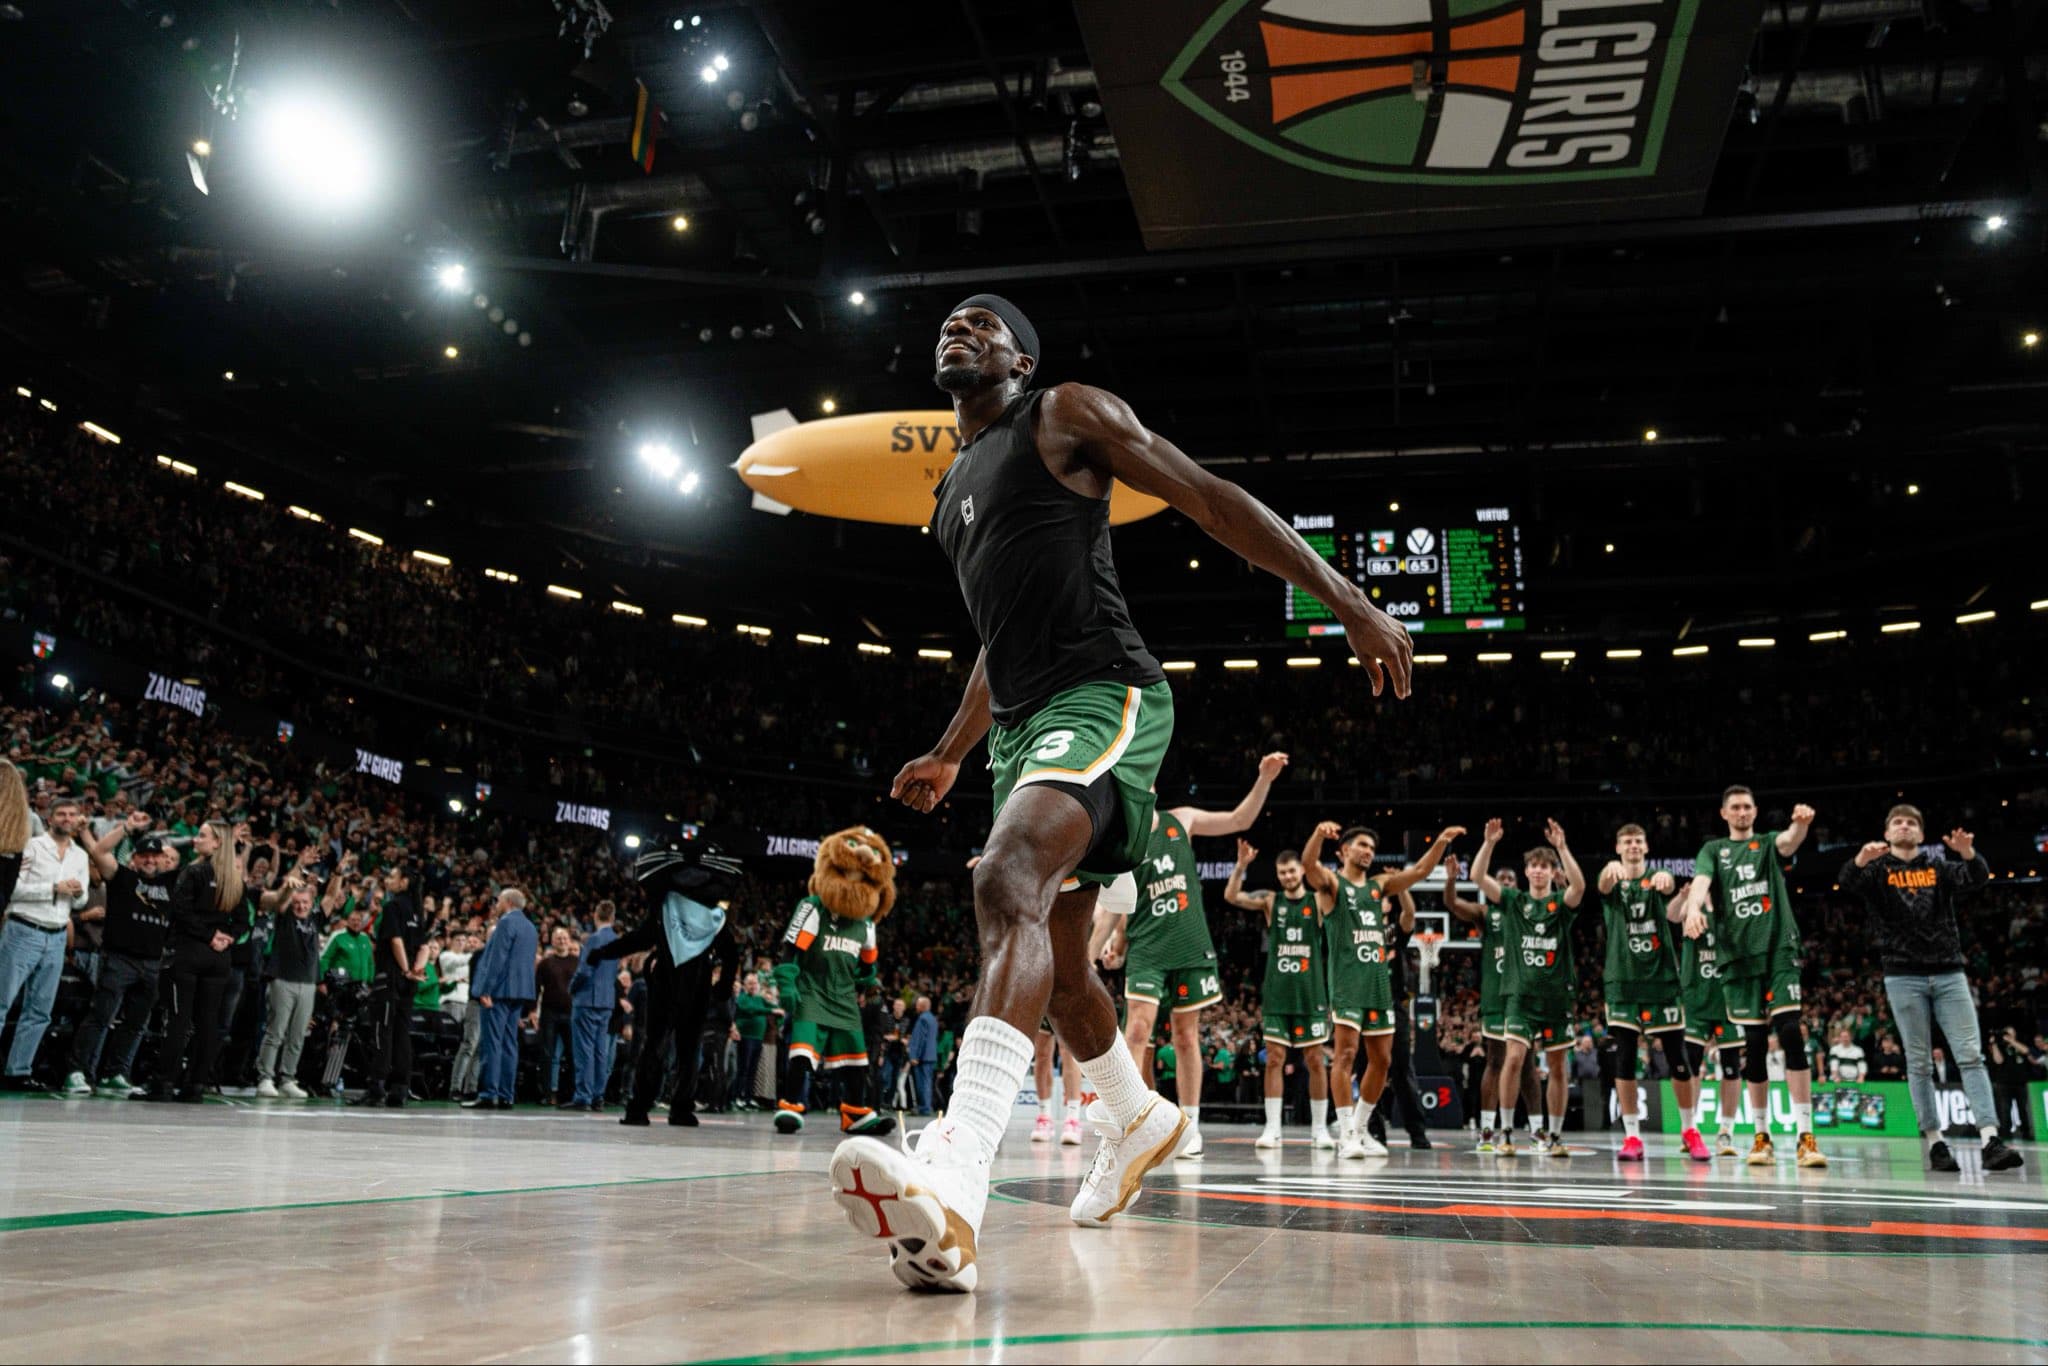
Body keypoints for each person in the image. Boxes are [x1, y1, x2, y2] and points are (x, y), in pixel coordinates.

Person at [830, 293, 1414, 1295]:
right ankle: (1136, 1116)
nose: (957, 329)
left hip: (1105, 694)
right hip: (1020, 724)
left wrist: (1348, 601)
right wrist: (950, 751)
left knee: (1003, 873)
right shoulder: (950, 488)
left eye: (982, 322)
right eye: (948, 321)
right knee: (1059, 969)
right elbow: (996, 641)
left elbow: (1205, 494)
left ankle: (959, 1175)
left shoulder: (1063, 413)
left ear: (1020, 358)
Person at [1095, 753, 1289, 1158]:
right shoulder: (1120, 842)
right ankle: (1131, 1119)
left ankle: (1190, 1126)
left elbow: (1239, 820)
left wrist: (1264, 778)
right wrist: (1100, 949)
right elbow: (1116, 904)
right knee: (1136, 1032)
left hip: (1188, 941)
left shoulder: (1180, 819)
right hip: (1147, 945)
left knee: (1185, 1037)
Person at [1836, 806, 2019, 1172]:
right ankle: (1936, 1142)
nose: (1905, 826)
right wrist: (1860, 859)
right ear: (1887, 833)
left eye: (1912, 823)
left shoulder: (1938, 868)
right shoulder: (1877, 871)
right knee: (1918, 1062)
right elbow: (1847, 882)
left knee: (1970, 1055)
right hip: (1903, 976)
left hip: (1950, 972)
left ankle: (1990, 1139)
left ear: (1921, 835)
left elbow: (1977, 877)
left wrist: (1967, 851)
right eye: (1897, 822)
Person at [1678, 788, 1826, 1168]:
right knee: (1756, 1046)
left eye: (1747, 806)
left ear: (1755, 811)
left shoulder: (1767, 843)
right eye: (1736, 807)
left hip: (1778, 949)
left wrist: (1800, 823)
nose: (1742, 812)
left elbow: (1791, 842)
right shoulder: (1713, 850)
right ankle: (1762, 1136)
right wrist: (1694, 909)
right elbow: (1700, 883)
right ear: (1724, 812)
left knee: (1791, 1033)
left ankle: (1805, 1135)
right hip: (1737, 959)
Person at [1303, 820, 1460, 1158]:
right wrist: (1317, 835)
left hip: (1379, 988)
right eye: (1362, 845)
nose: (1368, 852)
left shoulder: (1378, 886)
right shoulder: (1332, 887)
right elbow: (1308, 866)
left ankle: (1360, 1129)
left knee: (1383, 1061)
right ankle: (1346, 1133)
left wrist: (1440, 843)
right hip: (1347, 986)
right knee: (1345, 1057)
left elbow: (1418, 871)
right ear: (1344, 850)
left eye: (1372, 848)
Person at [596, 842, 743, 1128]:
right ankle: (682, 1110)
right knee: (689, 1051)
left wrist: (605, 952)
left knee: (654, 1047)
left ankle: (639, 1108)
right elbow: (731, 955)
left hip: (665, 980)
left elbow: (639, 939)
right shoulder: (714, 917)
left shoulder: (664, 909)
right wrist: (723, 988)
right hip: (698, 984)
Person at [1472, 819, 1587, 1157]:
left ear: (1553, 872)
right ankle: (1506, 1131)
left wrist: (1563, 849)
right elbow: (1478, 877)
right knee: (1514, 1059)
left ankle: (1554, 1135)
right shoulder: (1513, 901)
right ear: (1526, 871)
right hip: (1519, 997)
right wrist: (1489, 843)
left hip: (1556, 998)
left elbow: (1579, 887)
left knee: (1557, 1067)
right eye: (1534, 866)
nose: (1538, 871)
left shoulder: (1560, 906)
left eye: (1544, 866)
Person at [1595, 824, 1704, 1162]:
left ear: (1646, 846)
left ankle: (1689, 1130)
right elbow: (1602, 884)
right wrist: (1606, 871)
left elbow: (1668, 885)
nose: (1633, 846)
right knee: (1625, 1060)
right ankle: (1631, 1137)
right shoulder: (1612, 880)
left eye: (1638, 841)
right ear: (1618, 847)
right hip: (1623, 983)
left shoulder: (1658, 877)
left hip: (1661, 982)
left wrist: (1668, 883)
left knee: (1679, 1060)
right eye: (1627, 841)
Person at [1224, 838, 1334, 1150]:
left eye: (1291, 871)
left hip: (1311, 993)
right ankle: (1272, 1128)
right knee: (1274, 1059)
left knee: (1315, 1060)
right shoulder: (1272, 902)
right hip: (1277, 993)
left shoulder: (1318, 902)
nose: (1287, 876)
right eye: (1282, 872)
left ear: (1302, 871)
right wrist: (1241, 866)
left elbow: (1331, 886)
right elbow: (1231, 895)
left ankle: (1319, 1129)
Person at [64, 814, 177, 1097]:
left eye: (155, 856)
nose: (150, 860)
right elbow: (99, 851)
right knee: (100, 1016)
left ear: (164, 860)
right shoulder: (122, 877)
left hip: (152, 964)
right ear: (134, 859)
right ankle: (77, 1072)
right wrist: (125, 828)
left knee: (135, 1024)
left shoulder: (171, 885)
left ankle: (115, 1074)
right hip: (118, 959)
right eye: (144, 856)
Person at [1443, 849, 1543, 1156]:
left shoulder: (1530, 909)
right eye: (1500, 879)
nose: (1506, 882)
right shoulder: (1487, 914)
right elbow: (1452, 904)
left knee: (1528, 1066)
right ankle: (1488, 1128)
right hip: (1497, 998)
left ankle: (1538, 1130)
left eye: (1511, 879)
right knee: (1496, 1062)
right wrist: (1450, 881)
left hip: (1526, 997)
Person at [146, 820, 247, 1102]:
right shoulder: (235, 880)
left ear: (217, 843)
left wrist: (209, 935)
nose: (195, 840)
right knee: (207, 1022)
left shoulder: (194, 872)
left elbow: (180, 911)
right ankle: (196, 1086)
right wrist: (224, 937)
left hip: (190, 952)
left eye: (202, 836)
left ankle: (163, 1083)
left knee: (179, 1021)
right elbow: (242, 922)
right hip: (219, 958)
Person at [0, 796, 90, 1089]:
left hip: (57, 934)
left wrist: (77, 894)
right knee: (1, 1002)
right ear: (49, 819)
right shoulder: (30, 846)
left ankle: (18, 1071)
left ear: (78, 820)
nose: (66, 818)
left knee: (40, 1011)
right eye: (61, 814)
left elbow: (85, 898)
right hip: (23, 928)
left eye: (72, 814)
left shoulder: (80, 855)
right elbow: (12, 890)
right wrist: (53, 887)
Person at [354, 864, 427, 1107]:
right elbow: (425, 947)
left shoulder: (393, 907)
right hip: (408, 983)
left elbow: (395, 941)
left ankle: (376, 1088)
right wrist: (416, 971)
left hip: (391, 978)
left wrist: (406, 969)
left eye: (394, 876)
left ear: (404, 882)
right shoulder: (418, 911)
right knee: (401, 1034)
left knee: (381, 1033)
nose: (389, 879)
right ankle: (400, 1089)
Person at [465, 888, 538, 1110]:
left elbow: (496, 960)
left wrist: (486, 990)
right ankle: (507, 1095)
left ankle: (489, 1093)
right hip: (519, 992)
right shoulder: (530, 927)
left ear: (507, 902)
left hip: (499, 992)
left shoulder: (506, 923)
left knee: (492, 1043)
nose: (495, 905)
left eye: (498, 901)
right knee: (509, 1043)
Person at [254, 874, 323, 1098]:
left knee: (298, 1035)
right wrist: (288, 887)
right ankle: (265, 1077)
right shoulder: (284, 917)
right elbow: (280, 901)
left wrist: (339, 875)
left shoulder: (315, 919)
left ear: (311, 903)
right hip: (282, 979)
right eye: (297, 902)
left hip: (308, 983)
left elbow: (331, 896)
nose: (301, 906)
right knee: (276, 1031)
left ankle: (287, 1079)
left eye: (304, 903)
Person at [568, 901, 619, 1112]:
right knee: (600, 1051)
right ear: (613, 917)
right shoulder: (616, 940)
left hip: (587, 1000)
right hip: (606, 1001)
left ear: (596, 915)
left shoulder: (594, 939)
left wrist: (571, 988)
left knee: (584, 1050)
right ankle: (598, 1096)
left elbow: (584, 971)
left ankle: (583, 1097)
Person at [536, 925, 581, 1104]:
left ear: (569, 940)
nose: (561, 940)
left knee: (572, 1054)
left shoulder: (577, 961)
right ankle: (546, 1094)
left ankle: (569, 1094)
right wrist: (533, 1010)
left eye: (564, 937)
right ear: (552, 941)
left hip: (572, 1013)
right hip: (550, 1012)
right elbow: (536, 987)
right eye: (558, 938)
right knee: (547, 1053)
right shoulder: (545, 963)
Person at [732, 971, 771, 1110]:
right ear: (744, 985)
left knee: (753, 1070)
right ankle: (738, 1096)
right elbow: (750, 1009)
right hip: (746, 1037)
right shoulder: (742, 998)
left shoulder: (760, 999)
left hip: (758, 1038)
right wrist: (771, 1011)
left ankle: (748, 1097)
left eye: (755, 983)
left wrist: (776, 1010)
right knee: (744, 1068)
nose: (753, 986)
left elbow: (771, 1007)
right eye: (750, 983)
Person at [909, 995, 939, 1116]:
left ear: (922, 1006)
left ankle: (924, 1107)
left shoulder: (922, 1019)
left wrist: (914, 1056)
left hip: (922, 1056)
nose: (916, 1006)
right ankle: (926, 1106)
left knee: (922, 1083)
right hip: (930, 1055)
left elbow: (919, 1039)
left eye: (917, 1004)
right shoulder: (932, 1019)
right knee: (927, 1082)